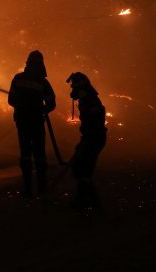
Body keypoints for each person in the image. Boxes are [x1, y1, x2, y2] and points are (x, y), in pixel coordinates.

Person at [8, 50, 56, 198]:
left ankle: (28, 189)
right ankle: (41, 188)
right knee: (39, 154)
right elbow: (51, 103)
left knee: (26, 155)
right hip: (35, 122)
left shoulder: (18, 78)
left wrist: (22, 106)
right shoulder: (43, 82)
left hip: (23, 122)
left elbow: (11, 100)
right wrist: (42, 109)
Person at [67, 72, 107, 211]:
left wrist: (88, 140)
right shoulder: (87, 99)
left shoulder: (90, 101)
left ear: (81, 88)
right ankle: (91, 199)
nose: (73, 92)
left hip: (94, 138)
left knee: (83, 168)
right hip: (90, 137)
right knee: (80, 168)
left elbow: (96, 122)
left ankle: (86, 200)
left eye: (74, 88)